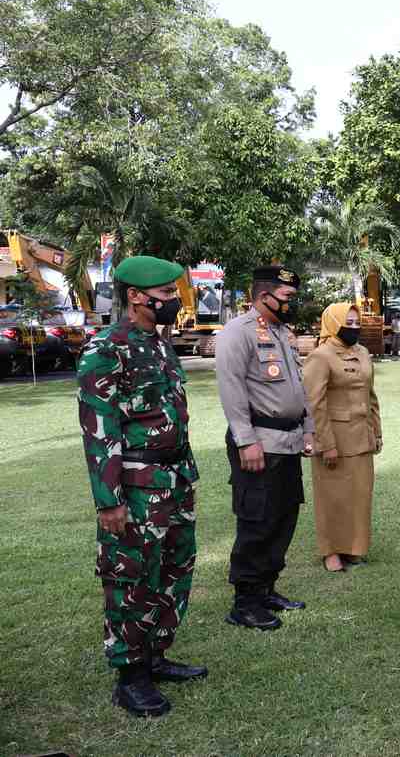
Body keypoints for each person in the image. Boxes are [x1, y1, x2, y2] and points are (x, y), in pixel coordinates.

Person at [78, 256, 206, 717]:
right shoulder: (104, 349)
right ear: (136, 297)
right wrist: (108, 500)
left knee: (175, 568)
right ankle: (130, 676)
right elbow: (100, 430)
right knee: (131, 576)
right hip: (134, 486)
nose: (175, 300)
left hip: (174, 480)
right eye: (168, 295)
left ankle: (156, 655)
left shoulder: (159, 345)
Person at [217, 265, 313, 631]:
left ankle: (267, 589)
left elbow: (299, 390)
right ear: (264, 296)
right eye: (287, 297)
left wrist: (308, 430)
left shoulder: (284, 334)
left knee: (284, 518)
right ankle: (244, 603)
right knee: (257, 523)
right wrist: (246, 441)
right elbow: (232, 390)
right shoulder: (236, 333)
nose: (292, 303)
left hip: (288, 442)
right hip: (259, 442)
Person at [304, 303, 382, 573]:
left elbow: (370, 396)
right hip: (334, 440)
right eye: (347, 322)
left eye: (355, 321)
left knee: (359, 497)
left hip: (362, 437)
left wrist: (377, 431)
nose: (353, 327)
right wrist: (325, 444)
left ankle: (353, 548)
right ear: (333, 322)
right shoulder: (321, 356)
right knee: (332, 498)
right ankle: (330, 552)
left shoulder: (362, 352)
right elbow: (315, 404)